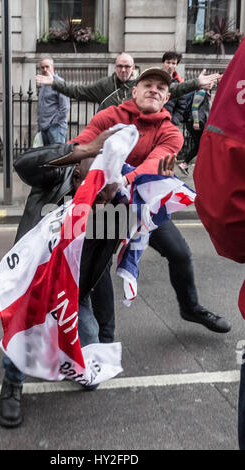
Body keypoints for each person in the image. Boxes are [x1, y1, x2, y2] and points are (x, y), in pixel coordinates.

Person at [0, 68, 179, 428]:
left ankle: (72, 343)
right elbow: (23, 164)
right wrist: (83, 150)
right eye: (95, 166)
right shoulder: (56, 177)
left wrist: (135, 194)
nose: (99, 177)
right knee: (27, 330)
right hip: (34, 281)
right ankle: (12, 384)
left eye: (107, 175)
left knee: (89, 376)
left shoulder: (111, 209)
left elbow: (99, 274)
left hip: (73, 291)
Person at [193, 38, 245, 450]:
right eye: (146, 85)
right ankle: (95, 331)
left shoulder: (167, 126)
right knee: (98, 262)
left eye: (161, 86)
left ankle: (191, 307)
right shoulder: (112, 111)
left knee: (175, 253)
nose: (154, 90)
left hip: (152, 214)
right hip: (114, 211)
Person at [36, 52, 222, 110]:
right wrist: (55, 83)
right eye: (120, 66)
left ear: (133, 68)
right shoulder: (104, 85)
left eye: (127, 66)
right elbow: (78, 91)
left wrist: (196, 83)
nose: (123, 70)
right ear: (115, 67)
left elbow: (175, 89)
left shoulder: (141, 85)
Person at [178, 85, 212, 175]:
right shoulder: (201, 92)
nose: (212, 83)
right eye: (210, 81)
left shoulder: (205, 93)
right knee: (203, 144)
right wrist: (196, 122)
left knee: (200, 145)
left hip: (196, 122)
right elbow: (194, 107)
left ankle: (185, 164)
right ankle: (187, 163)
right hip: (197, 122)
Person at [37, 56, 70, 145]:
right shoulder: (44, 85)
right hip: (44, 129)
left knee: (57, 157)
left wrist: (53, 123)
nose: (44, 69)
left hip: (55, 128)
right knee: (48, 158)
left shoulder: (59, 82)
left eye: (47, 66)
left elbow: (65, 107)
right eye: (42, 67)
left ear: (53, 68)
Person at [162, 51, 186, 127]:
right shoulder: (155, 77)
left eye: (173, 63)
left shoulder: (180, 82)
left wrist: (173, 121)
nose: (170, 66)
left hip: (169, 123)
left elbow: (181, 106)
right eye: (168, 62)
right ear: (163, 63)